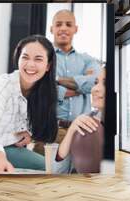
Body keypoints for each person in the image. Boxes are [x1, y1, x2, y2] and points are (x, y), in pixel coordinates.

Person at [0, 35, 58, 174]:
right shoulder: (4, 84)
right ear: (18, 59)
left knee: (52, 166)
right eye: (25, 57)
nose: (30, 64)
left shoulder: (43, 91)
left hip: (10, 143)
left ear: (48, 65)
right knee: (49, 167)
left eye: (38, 59)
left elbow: (37, 124)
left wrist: (29, 134)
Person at [33, 9, 101, 156]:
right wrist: (80, 86)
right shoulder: (41, 57)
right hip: (49, 131)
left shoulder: (87, 59)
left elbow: (94, 83)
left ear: (75, 29)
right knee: (43, 176)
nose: (63, 28)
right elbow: (41, 87)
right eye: (58, 24)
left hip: (81, 132)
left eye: (68, 24)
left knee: (78, 177)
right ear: (52, 29)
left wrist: (56, 80)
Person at [52, 67, 106, 174]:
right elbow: (59, 171)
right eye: (95, 82)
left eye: (105, 84)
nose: (94, 89)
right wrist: (71, 131)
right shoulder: (87, 121)